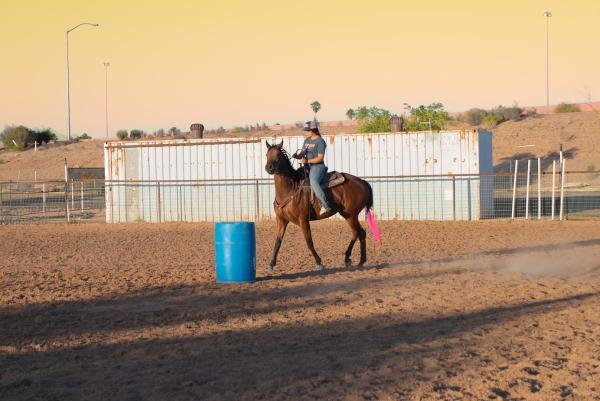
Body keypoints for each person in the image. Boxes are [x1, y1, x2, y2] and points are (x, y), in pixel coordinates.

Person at [301, 120, 332, 215]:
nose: (306, 132)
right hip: (307, 166)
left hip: (318, 167)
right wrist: (299, 156)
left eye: (307, 130)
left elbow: (320, 158)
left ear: (313, 130)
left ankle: (326, 205)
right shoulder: (306, 140)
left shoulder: (320, 141)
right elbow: (303, 153)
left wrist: (307, 161)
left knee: (313, 181)